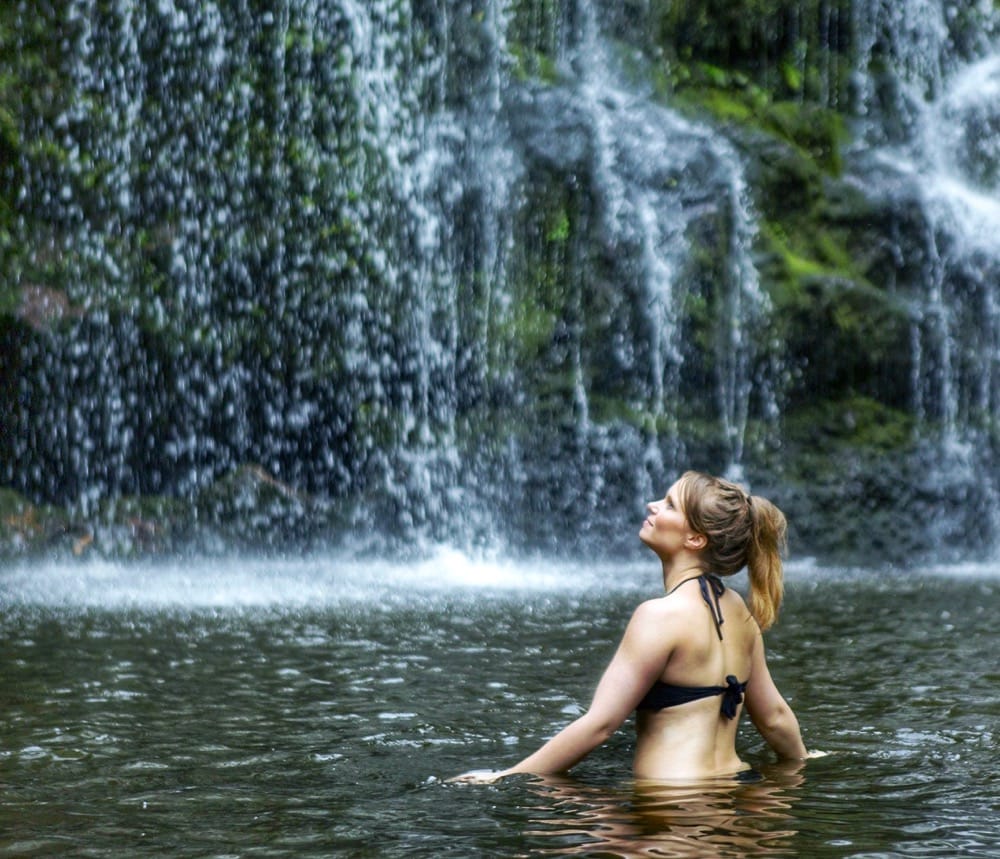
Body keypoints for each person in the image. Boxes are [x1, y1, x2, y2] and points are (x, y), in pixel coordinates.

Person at [454, 470, 816, 783]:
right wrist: (802, 760)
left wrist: (507, 777)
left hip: (671, 801)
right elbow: (774, 717)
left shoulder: (658, 616)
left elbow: (601, 725)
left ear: (695, 538)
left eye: (670, 505)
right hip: (735, 783)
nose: (652, 505)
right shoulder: (739, 611)